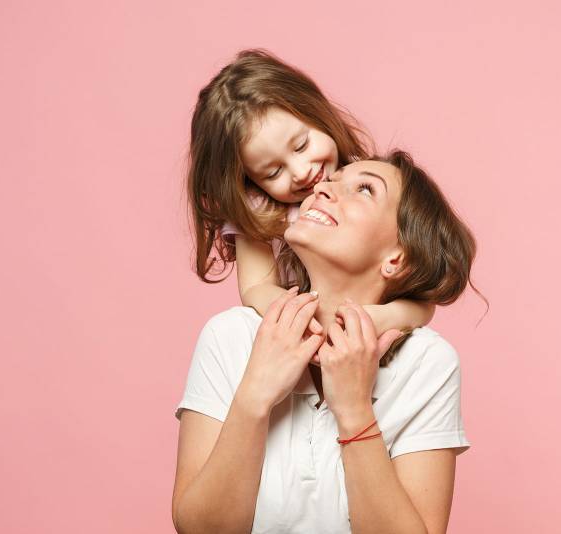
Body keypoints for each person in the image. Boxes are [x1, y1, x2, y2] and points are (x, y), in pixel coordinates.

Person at [173, 151, 478, 533]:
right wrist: (255, 395)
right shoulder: (229, 336)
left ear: (396, 259)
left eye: (365, 189)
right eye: (332, 181)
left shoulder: (427, 363)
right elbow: (200, 529)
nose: (322, 188)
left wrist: (354, 409)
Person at [187, 49, 435, 356]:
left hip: (367, 345)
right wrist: (310, 322)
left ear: (316, 114)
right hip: (301, 346)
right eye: (273, 172)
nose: (302, 172)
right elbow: (256, 288)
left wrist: (386, 316)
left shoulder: (361, 185)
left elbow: (422, 298)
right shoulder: (258, 211)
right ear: (250, 181)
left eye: (302, 145)